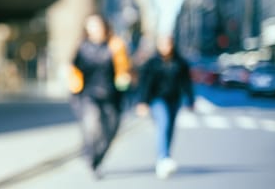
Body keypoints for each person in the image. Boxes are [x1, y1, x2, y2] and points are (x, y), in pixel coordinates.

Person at [68, 13, 131, 178]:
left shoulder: (115, 45)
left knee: (110, 130)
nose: (95, 29)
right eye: (91, 26)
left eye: (97, 25)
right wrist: (74, 87)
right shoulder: (82, 47)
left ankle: (96, 157)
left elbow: (124, 69)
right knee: (92, 125)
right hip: (89, 94)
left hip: (112, 95)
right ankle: (91, 158)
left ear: (105, 27)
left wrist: (124, 78)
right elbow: (74, 69)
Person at [135, 35, 195, 179]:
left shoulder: (180, 63)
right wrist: (142, 102)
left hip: (174, 100)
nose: (166, 48)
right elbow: (145, 84)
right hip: (157, 100)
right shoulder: (152, 63)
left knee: (170, 128)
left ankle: (164, 157)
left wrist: (190, 100)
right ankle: (164, 157)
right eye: (163, 44)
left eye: (168, 44)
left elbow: (186, 83)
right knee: (164, 122)